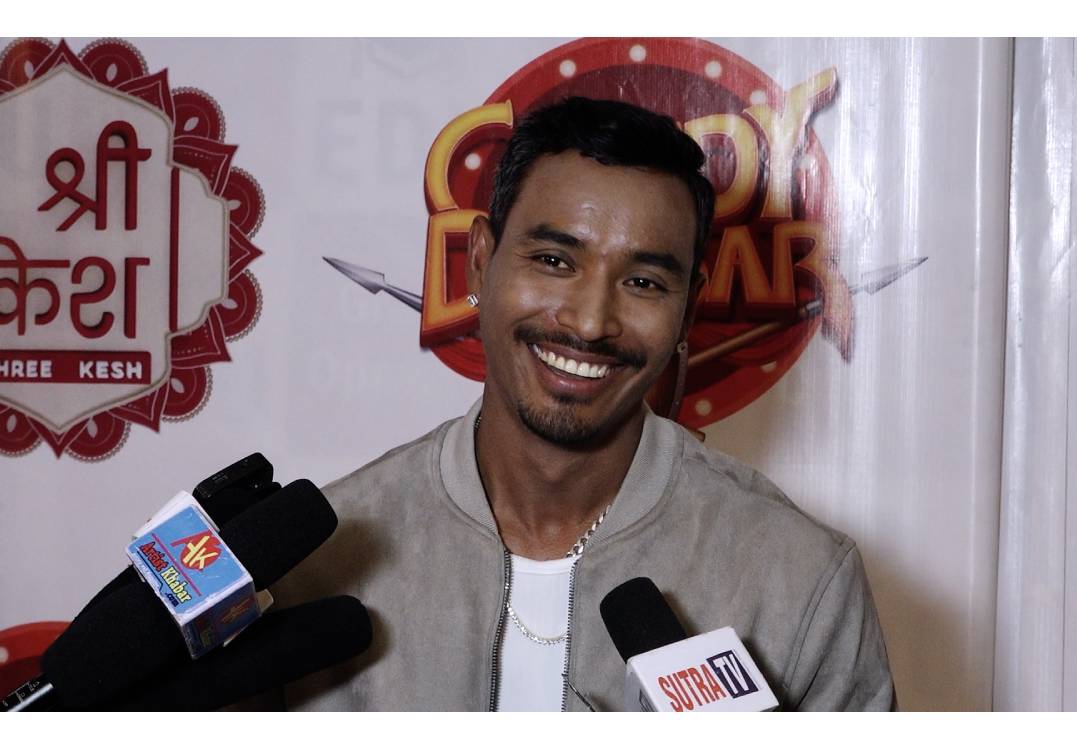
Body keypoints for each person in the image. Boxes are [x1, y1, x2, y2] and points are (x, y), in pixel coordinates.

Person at [274, 97, 894, 711]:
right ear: (480, 263)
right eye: (553, 261)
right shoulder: (319, 562)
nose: (591, 322)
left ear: (687, 310)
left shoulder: (801, 580)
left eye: (643, 282)